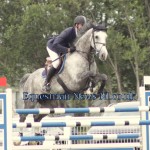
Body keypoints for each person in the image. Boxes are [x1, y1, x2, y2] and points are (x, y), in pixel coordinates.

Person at [43, 15, 87, 92]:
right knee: (57, 63)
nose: (83, 27)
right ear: (76, 25)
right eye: (82, 25)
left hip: (62, 47)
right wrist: (68, 49)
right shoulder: (69, 31)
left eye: (84, 25)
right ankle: (46, 82)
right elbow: (55, 44)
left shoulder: (78, 34)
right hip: (52, 47)